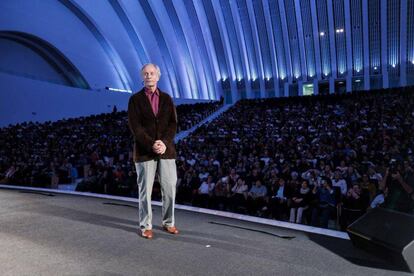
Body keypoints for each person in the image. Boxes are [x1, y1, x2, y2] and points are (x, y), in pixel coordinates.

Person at [128, 63, 179, 239]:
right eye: (145, 73)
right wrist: (152, 144)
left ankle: (168, 223)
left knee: (170, 188)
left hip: (166, 150)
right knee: (145, 191)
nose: (149, 76)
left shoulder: (167, 98)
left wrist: (164, 143)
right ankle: (146, 225)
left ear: (158, 76)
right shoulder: (135, 100)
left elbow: (173, 123)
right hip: (144, 151)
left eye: (152, 73)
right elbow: (136, 127)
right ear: (142, 77)